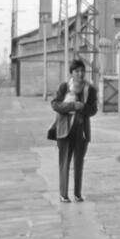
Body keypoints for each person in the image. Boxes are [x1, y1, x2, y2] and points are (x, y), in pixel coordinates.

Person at [49, 59, 98, 203]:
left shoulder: (90, 89)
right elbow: (55, 104)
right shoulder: (64, 87)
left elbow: (93, 110)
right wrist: (72, 106)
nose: (81, 74)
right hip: (64, 130)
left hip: (81, 131)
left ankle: (77, 194)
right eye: (77, 71)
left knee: (79, 162)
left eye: (83, 71)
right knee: (64, 162)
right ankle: (63, 194)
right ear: (71, 73)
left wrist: (82, 107)